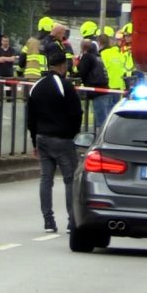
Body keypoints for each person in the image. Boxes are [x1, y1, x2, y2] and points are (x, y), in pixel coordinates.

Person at [27, 52, 83, 233]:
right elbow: (77, 113)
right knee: (70, 179)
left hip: (42, 138)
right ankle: (72, 220)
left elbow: (31, 118)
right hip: (62, 139)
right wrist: (72, 134)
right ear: (63, 66)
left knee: (46, 179)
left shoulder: (36, 87)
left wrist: (34, 141)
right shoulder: (65, 86)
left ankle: (48, 221)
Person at [75, 38, 110, 132]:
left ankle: (101, 137)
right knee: (104, 117)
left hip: (96, 89)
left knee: (101, 120)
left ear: (83, 47)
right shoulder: (98, 56)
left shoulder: (87, 57)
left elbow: (82, 71)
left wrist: (74, 74)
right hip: (104, 88)